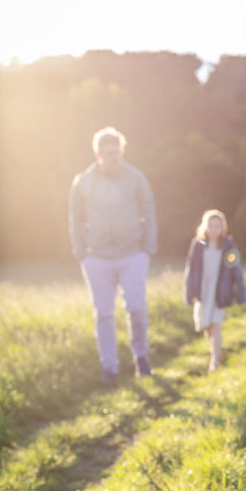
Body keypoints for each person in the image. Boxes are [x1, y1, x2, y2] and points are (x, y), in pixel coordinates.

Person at [69, 127, 157, 383]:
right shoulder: (82, 182)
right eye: (108, 153)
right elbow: (75, 219)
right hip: (96, 257)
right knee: (104, 314)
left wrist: (148, 249)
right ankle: (110, 367)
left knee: (137, 308)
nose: (113, 157)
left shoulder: (136, 177)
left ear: (122, 151)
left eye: (117, 152)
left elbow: (149, 212)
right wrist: (80, 253)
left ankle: (141, 358)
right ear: (98, 154)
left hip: (133, 254)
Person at [184, 209, 246, 371]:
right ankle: (216, 350)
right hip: (203, 290)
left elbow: (236, 268)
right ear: (205, 227)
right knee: (206, 325)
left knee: (216, 324)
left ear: (222, 227)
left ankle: (215, 361)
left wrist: (239, 289)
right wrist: (189, 291)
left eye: (217, 226)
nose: (213, 229)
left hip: (220, 291)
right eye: (210, 226)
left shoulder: (228, 245)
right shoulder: (200, 244)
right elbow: (190, 268)